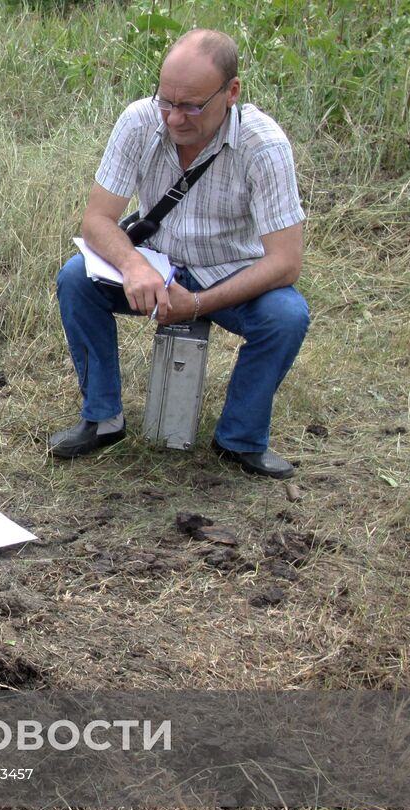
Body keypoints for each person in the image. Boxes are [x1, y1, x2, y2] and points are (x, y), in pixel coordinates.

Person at [49, 29, 309, 478]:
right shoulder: (138, 121)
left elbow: (285, 261)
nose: (173, 118)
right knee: (76, 279)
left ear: (231, 92)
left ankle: (239, 440)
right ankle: (103, 418)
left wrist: (197, 304)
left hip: (230, 271)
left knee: (286, 317)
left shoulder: (264, 146)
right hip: (157, 262)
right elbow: (96, 220)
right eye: (166, 101)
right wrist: (133, 266)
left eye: (190, 105)